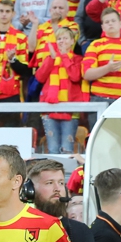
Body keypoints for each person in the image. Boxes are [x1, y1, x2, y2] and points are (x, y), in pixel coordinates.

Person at [36, 26, 85, 155]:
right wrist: (51, 59)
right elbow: (40, 77)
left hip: (70, 109)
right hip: (49, 109)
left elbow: (75, 76)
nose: (62, 41)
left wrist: (64, 57)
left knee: (67, 149)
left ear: (72, 41)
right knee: (52, 149)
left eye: (65, 38)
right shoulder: (50, 57)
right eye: (59, 39)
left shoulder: (78, 59)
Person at [82, 8, 121, 104]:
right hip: (100, 99)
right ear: (103, 27)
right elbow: (87, 74)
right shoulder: (95, 45)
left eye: (113, 21)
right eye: (107, 22)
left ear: (120, 24)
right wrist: (108, 68)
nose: (110, 23)